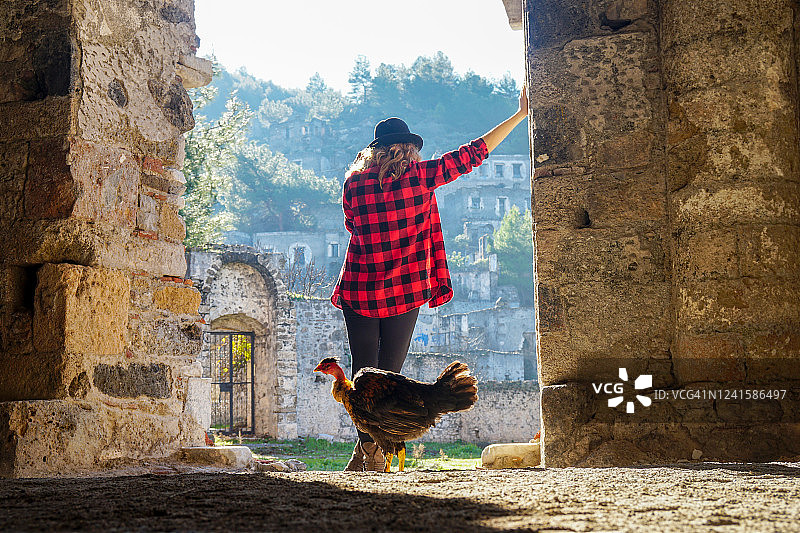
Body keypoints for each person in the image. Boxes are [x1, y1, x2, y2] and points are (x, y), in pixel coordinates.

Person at [330, 86, 529, 471]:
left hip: (359, 287)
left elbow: (351, 224)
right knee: (388, 377)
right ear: (408, 149)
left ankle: (365, 452)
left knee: (359, 378)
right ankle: (373, 454)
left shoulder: (354, 183)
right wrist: (520, 115)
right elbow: (474, 152)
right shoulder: (422, 176)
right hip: (404, 290)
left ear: (375, 150)